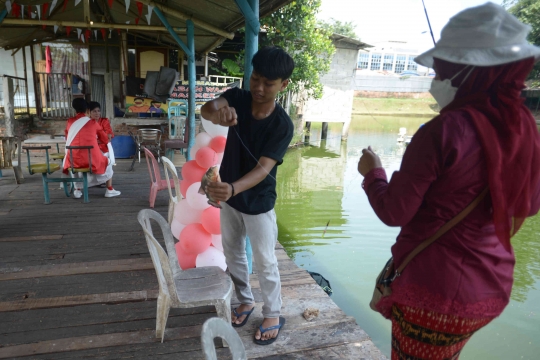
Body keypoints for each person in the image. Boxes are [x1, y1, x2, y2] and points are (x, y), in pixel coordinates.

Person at [358, 3, 540, 359]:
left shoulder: (444, 131)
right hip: (489, 288)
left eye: (445, 68)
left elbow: (395, 211)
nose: (437, 77)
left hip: (434, 292)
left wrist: (373, 174)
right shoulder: (525, 130)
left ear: (469, 71)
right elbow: (524, 209)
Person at [200, 46, 295, 345]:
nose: (259, 87)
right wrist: (218, 112)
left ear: (284, 85)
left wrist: (231, 188)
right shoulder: (239, 98)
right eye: (255, 78)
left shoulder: (282, 124)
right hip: (230, 198)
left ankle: (273, 313)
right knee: (232, 252)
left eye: (268, 82)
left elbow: (264, 168)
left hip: (258, 202)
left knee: (266, 260)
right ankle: (245, 299)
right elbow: (206, 108)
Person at [64, 98, 121, 198]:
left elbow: (67, 137)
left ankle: (77, 189)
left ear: (74, 109)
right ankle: (109, 189)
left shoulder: (69, 122)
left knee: (72, 159)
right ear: (87, 110)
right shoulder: (92, 123)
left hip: (73, 161)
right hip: (91, 160)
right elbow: (105, 140)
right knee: (108, 161)